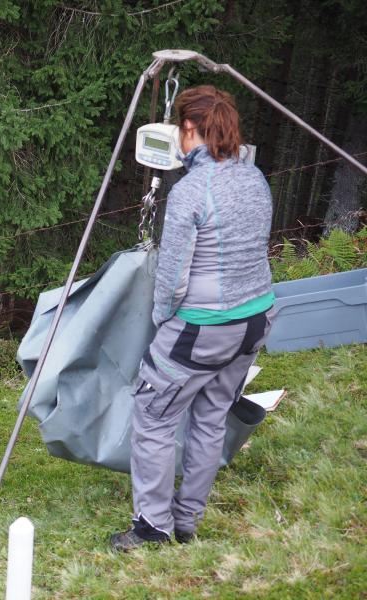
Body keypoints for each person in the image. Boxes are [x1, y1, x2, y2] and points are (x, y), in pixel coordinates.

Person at [111, 86, 276, 551]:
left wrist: (162, 321)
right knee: (211, 415)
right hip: (256, 318)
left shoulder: (191, 191)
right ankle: (186, 520)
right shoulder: (254, 177)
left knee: (154, 413)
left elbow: (173, 276)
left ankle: (153, 526)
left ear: (188, 129)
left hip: (203, 326)